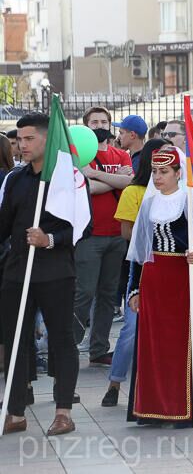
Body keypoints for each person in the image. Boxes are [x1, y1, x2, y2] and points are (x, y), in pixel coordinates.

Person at [1, 113, 86, 436]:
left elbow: (81, 227)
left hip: (55, 272)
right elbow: (4, 223)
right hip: (17, 272)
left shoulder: (70, 178)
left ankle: (63, 410)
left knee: (61, 340)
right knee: (15, 341)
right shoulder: (15, 179)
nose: (22, 145)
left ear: (47, 140)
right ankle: (16, 410)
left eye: (29, 139)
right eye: (19, 140)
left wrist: (50, 239)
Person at [124, 148, 193, 426]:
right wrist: (134, 289)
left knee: (180, 342)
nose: (158, 177)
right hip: (152, 278)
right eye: (154, 171)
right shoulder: (149, 204)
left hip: (180, 277)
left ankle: (182, 408)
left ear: (178, 173)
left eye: (164, 171)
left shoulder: (188, 200)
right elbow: (139, 252)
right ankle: (151, 408)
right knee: (153, 344)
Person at [101, 138, 167, 407]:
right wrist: (152, 228)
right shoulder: (134, 192)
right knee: (131, 329)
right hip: (140, 268)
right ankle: (115, 383)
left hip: (170, 268)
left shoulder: (179, 194)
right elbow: (126, 232)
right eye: (160, 161)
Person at [74, 107, 132, 366]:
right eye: (94, 121)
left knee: (109, 295)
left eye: (104, 121)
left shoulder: (121, 154)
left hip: (117, 233)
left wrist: (96, 175)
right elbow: (86, 189)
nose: (100, 124)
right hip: (90, 235)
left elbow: (128, 183)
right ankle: (67, 347)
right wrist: (114, 179)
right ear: (86, 125)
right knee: (83, 293)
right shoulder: (78, 156)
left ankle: (99, 350)